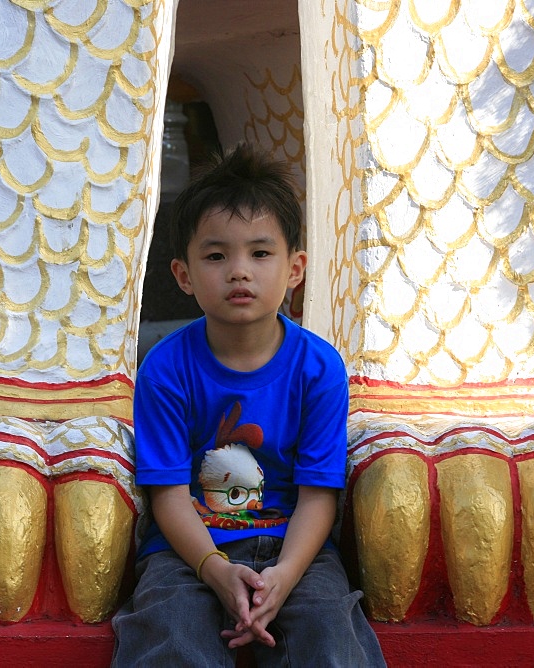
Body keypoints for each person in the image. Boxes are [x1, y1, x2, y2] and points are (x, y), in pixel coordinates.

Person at [111, 143, 385, 667]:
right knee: (170, 634)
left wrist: (283, 576)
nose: (239, 271)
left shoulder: (319, 369)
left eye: (260, 253)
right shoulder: (166, 369)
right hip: (187, 549)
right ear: (184, 275)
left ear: (296, 268)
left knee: (328, 632)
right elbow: (167, 494)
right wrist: (213, 568)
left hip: (295, 546)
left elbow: (318, 496)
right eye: (216, 256)